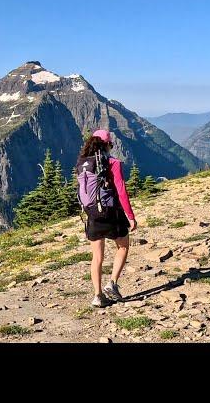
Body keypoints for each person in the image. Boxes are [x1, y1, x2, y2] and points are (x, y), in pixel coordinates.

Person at [76, 129, 137, 308]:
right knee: (123, 246)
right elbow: (121, 191)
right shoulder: (113, 163)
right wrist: (131, 216)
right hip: (111, 213)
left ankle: (97, 295)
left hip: (92, 214)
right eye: (110, 144)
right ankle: (112, 283)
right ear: (107, 144)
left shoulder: (82, 163)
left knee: (97, 257)